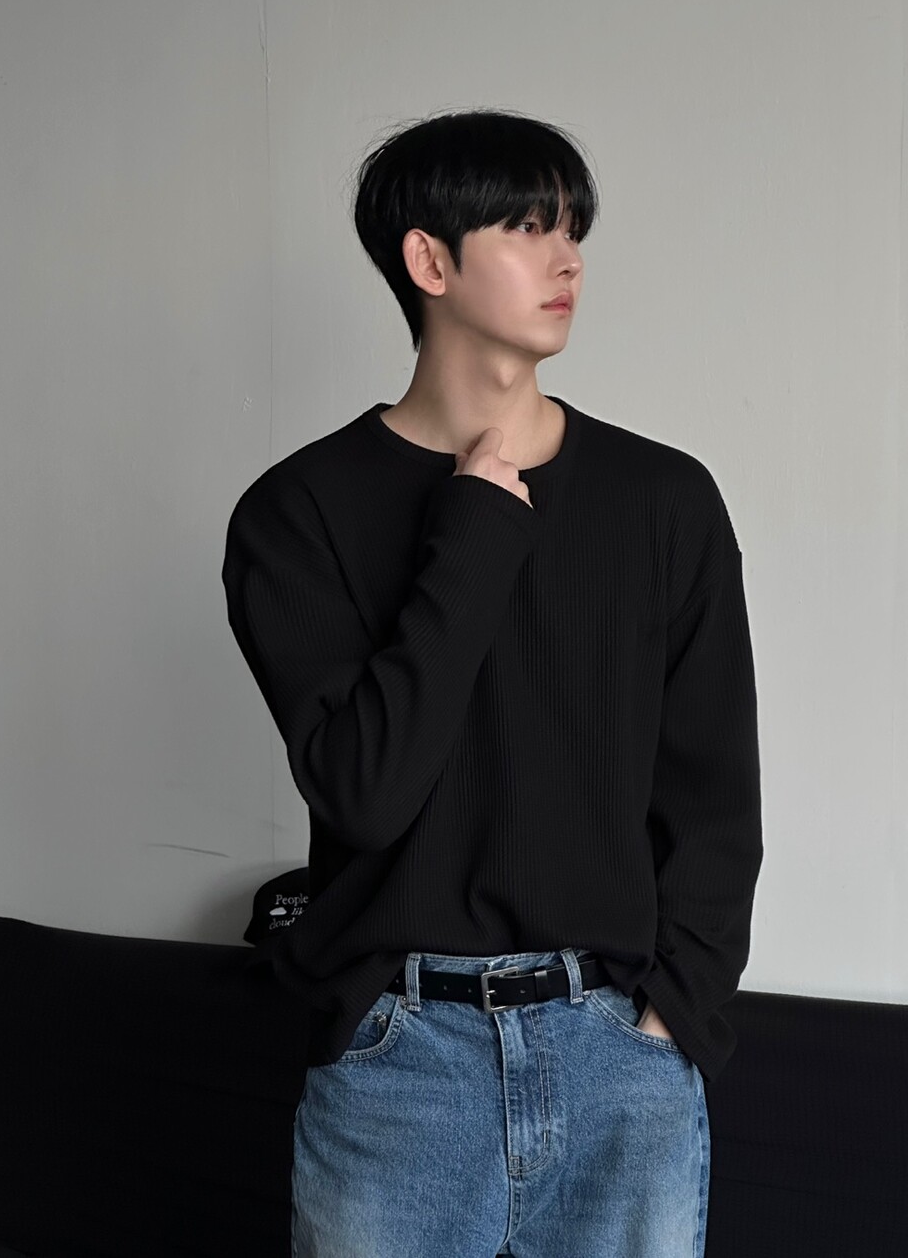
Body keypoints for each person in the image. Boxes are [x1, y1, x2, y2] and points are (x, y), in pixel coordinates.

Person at [221, 107, 763, 1257]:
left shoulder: (664, 501)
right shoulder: (297, 514)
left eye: (571, 229)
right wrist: (472, 531)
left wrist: (671, 1016)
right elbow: (365, 792)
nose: (567, 260)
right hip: (399, 1064)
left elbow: (714, 796)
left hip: (620, 1058)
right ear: (430, 260)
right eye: (525, 227)